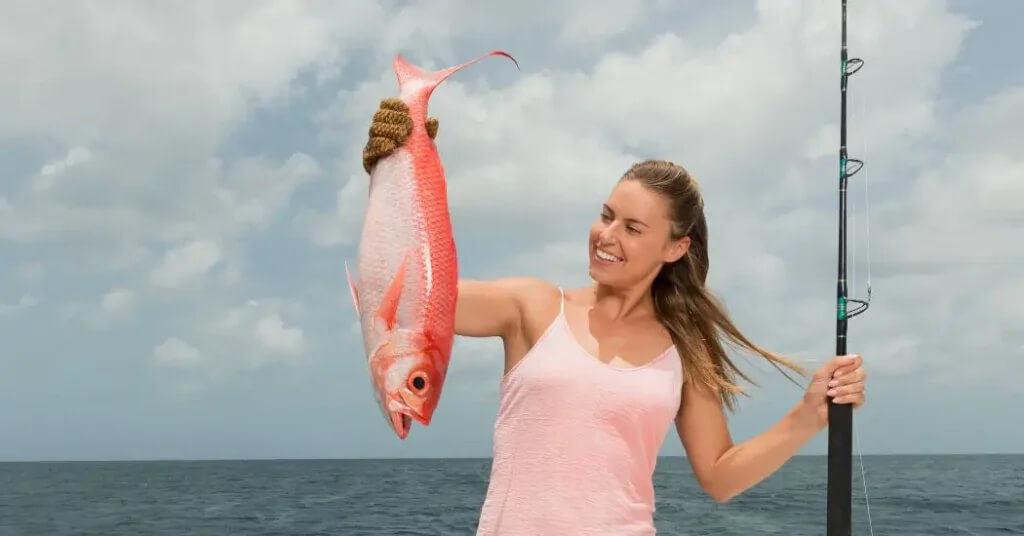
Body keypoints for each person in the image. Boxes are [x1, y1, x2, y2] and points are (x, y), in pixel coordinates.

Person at [361, 98, 868, 535]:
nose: (607, 235)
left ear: (675, 248)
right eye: (606, 215)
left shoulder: (684, 349)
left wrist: (808, 416)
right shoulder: (532, 307)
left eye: (632, 228)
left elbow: (719, 474)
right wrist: (394, 171)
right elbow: (399, 296)